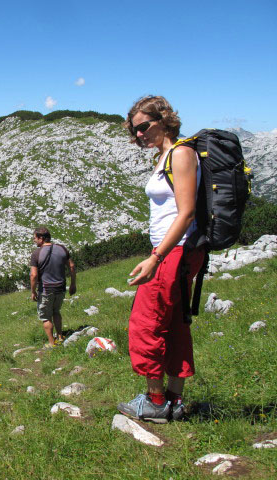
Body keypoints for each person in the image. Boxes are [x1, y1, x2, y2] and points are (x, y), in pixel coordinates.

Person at [117, 95, 205, 423]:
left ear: (163, 119)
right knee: (175, 325)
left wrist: (156, 257)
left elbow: (186, 213)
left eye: (144, 126)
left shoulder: (180, 154)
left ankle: (155, 403)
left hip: (174, 252)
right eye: (134, 129)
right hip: (176, 251)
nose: (139, 134)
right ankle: (175, 401)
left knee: (145, 323)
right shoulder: (165, 155)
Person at [30, 227, 77, 347]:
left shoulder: (37, 253)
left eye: (35, 238)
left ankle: (52, 344)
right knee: (56, 311)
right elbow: (71, 266)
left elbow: (34, 275)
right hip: (61, 288)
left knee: (46, 317)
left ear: (41, 238)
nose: (34, 241)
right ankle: (60, 336)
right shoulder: (62, 249)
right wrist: (73, 284)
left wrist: (33, 291)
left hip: (46, 289)